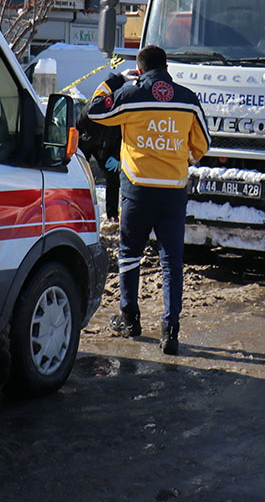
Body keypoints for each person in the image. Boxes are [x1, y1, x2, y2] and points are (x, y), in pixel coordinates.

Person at [87, 45, 210, 355]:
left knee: (129, 254)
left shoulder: (131, 94)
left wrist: (116, 79)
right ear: (166, 67)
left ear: (139, 70)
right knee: (172, 261)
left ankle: (129, 319)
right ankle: (170, 330)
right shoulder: (187, 98)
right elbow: (203, 144)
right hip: (173, 192)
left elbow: (95, 110)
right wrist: (183, 157)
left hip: (138, 190)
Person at [77, 107, 121, 222]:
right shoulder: (91, 108)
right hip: (86, 142)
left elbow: (123, 133)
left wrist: (117, 155)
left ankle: (112, 215)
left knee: (113, 178)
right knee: (80, 177)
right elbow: (77, 127)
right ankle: (80, 212)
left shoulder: (119, 108)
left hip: (107, 146)